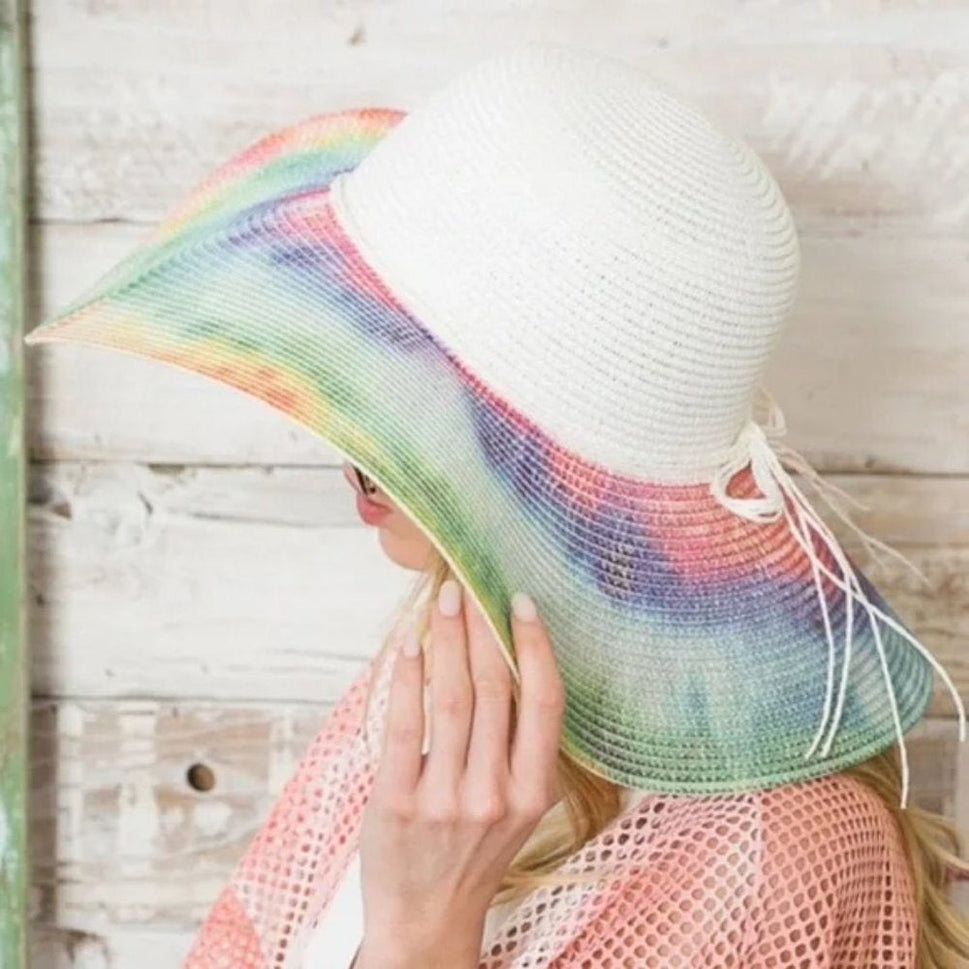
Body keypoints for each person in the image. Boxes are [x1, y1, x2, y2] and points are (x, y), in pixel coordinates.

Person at [24, 43, 969, 967]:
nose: (351, 434)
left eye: (433, 394)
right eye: (367, 358)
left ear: (569, 474)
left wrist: (423, 937)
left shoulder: (778, 860)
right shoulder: (435, 682)